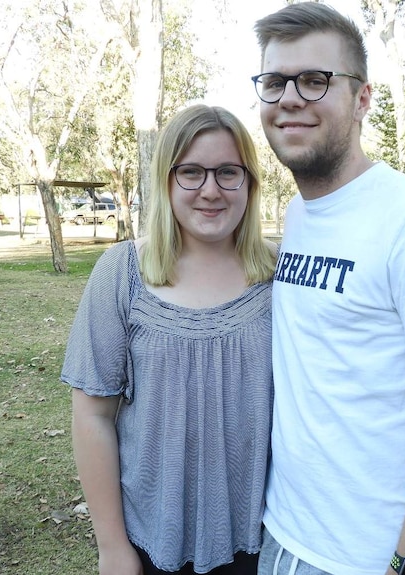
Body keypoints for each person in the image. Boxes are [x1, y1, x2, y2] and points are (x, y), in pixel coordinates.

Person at [250, 4, 405, 575]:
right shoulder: (300, 213)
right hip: (280, 531)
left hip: (360, 557)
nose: (289, 98)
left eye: (315, 81)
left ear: (362, 100)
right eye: (275, 81)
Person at [61, 104, 277, 575]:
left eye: (227, 172)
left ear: (251, 182)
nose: (210, 191)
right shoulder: (122, 273)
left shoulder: (283, 276)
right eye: (191, 173)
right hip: (150, 540)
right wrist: (112, 547)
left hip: (264, 540)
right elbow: (92, 415)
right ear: (165, 180)